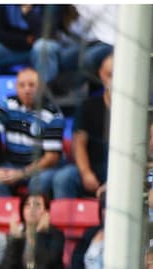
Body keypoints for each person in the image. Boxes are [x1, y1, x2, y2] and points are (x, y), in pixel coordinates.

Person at [0, 66, 63, 201]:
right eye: (22, 85)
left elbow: (51, 158)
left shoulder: (53, 114)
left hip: (41, 168)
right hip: (12, 163)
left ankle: (33, 218)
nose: (27, 90)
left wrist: (21, 174)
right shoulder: (7, 104)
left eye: (32, 85)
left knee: (38, 184)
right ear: (16, 87)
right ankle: (9, 217)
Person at [52, 51, 112, 201]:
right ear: (101, 75)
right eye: (109, 75)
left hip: (125, 173)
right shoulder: (87, 106)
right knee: (64, 178)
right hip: (93, 169)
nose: (114, 80)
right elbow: (79, 143)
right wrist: (86, 173)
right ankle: (62, 224)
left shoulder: (136, 112)